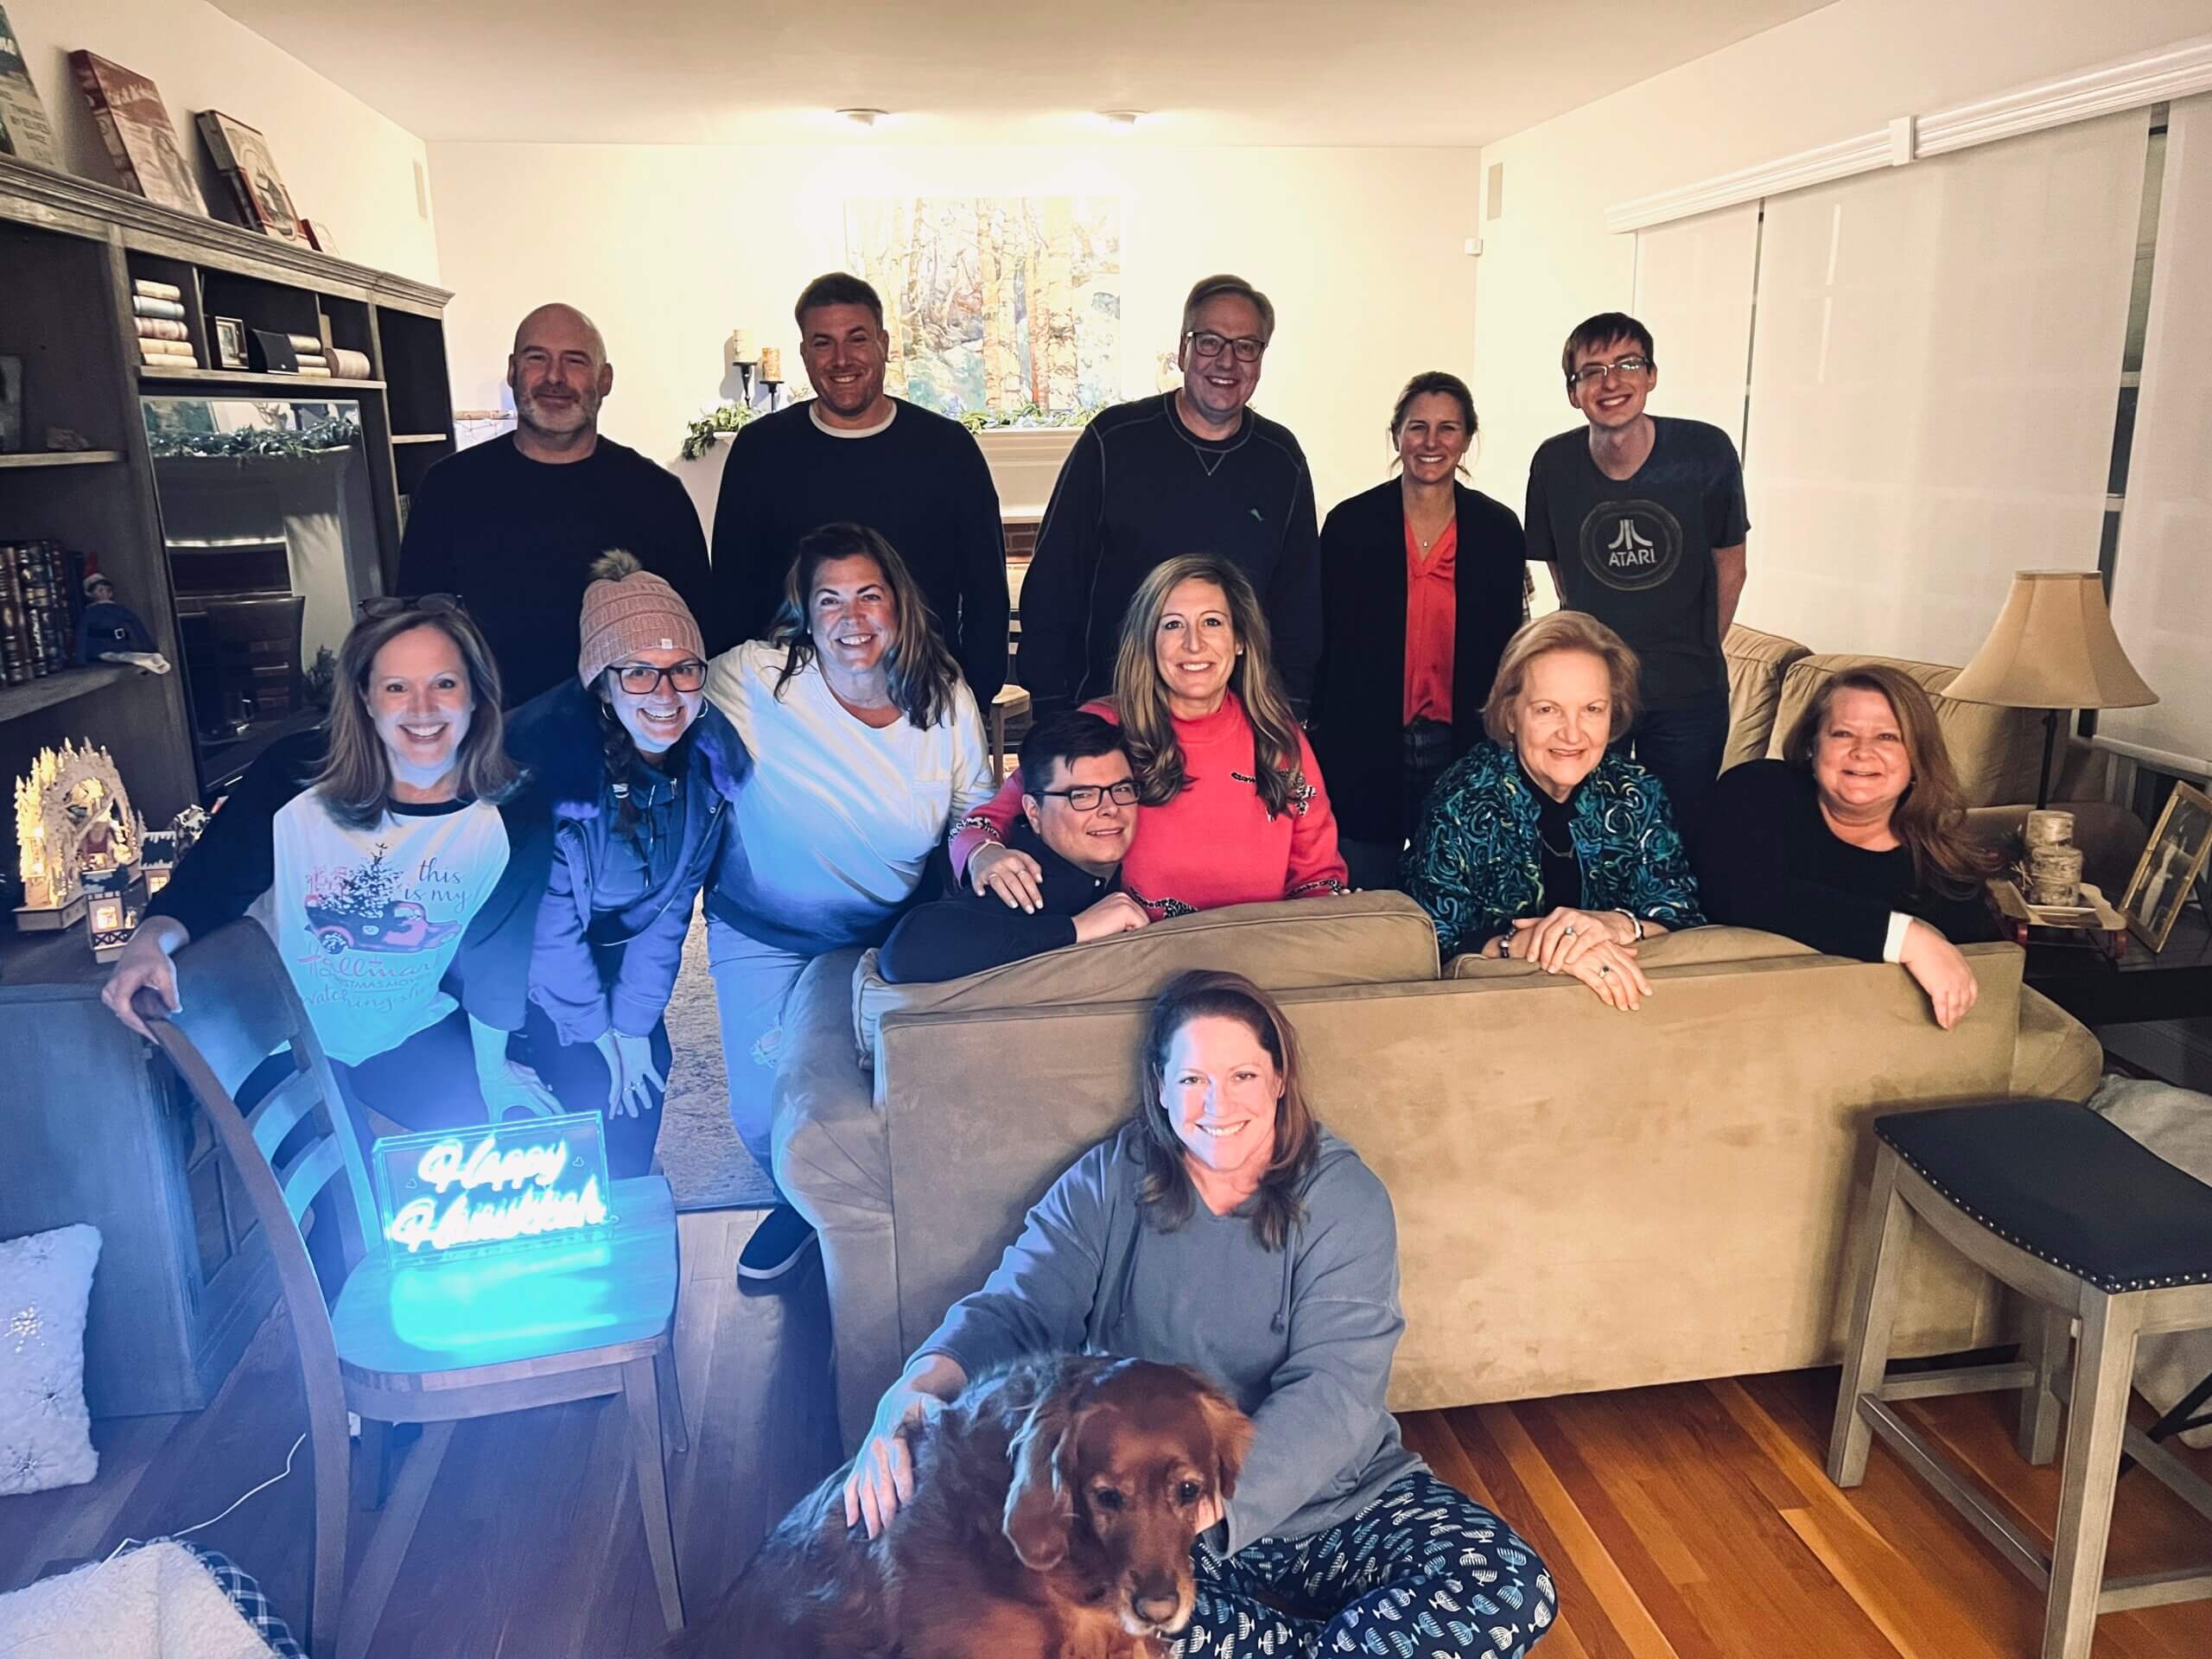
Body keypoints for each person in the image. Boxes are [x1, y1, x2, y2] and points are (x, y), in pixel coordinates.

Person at [842, 970, 1556, 1657]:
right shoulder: (1107, 1181)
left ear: (1279, 1079)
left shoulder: (1345, 1196)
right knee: (1061, 1601)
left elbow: (1337, 1386)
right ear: (1160, 1087)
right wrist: (917, 1387)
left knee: (1512, 1586)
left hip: (1334, 1501)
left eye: (1243, 1076)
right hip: (1147, 1516)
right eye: (1192, 1079)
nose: (1218, 1103)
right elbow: (1018, 1307)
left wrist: (1206, 1506)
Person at [100, 600, 558, 1127]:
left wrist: (493, 1071)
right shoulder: (293, 778)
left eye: (444, 684)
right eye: (396, 687)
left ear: (476, 694)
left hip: (407, 1028)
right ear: (365, 697)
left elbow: (494, 957)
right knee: (342, 1198)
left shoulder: (514, 813)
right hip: (275, 1033)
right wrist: (144, 943)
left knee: (512, 1149)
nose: (423, 708)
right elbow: (204, 893)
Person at [704, 522, 993, 1281]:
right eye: (828, 599)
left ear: (898, 604)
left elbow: (975, 809)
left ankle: (868, 1222)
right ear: (803, 611)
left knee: (883, 1094)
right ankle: (800, 1207)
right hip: (762, 929)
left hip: (879, 934)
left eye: (868, 595)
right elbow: (658, 681)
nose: (851, 617)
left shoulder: (945, 697)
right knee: (761, 1112)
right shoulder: (756, 678)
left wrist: (986, 850)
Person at [491, 552, 750, 1177]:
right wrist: (593, 1028)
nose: (665, 694)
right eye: (638, 673)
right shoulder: (547, 773)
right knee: (584, 1088)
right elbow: (545, 925)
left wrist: (632, 1024)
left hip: (609, 951)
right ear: (601, 683)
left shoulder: (706, 772)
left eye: (683, 670)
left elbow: (669, 914)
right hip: (519, 972)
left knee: (644, 1077)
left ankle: (632, 1214)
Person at [952, 554, 1347, 918]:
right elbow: (982, 824)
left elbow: (1318, 879)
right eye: (1173, 624)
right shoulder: (1101, 725)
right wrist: (982, 856)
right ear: (1148, 641)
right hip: (1129, 958)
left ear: (1240, 639)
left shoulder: (1279, 739)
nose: (1194, 644)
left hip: (1255, 958)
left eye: (1213, 622)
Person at [1015, 274, 1321, 717]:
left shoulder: (1281, 458)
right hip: (1113, 712)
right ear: (1183, 350)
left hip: (1235, 721)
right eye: (1210, 342)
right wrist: (1052, 710)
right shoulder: (1114, 440)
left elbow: (1299, 603)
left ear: (1260, 359)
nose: (1227, 362)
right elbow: (1053, 583)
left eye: (1246, 347)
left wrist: (1289, 713)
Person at [704, 272, 1009, 701]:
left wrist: (974, 689)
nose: (841, 359)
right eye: (823, 342)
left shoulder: (947, 448)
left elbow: (985, 587)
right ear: (805, 353)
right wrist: (741, 702)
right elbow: (732, 591)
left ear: (883, 345)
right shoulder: (762, 451)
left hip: (920, 692)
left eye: (857, 339)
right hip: (794, 703)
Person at [397, 303, 711, 706]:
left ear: (605, 379)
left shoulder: (658, 495)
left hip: (619, 743)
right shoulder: (449, 487)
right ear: (513, 371)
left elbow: (698, 637)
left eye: (575, 361)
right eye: (536, 358)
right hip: (489, 738)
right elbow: (414, 622)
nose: (554, 377)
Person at [1524, 311, 1748, 849]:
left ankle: (1661, 932)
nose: (1611, 381)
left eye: (1628, 364)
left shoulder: (1705, 451)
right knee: (1584, 832)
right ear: (1573, 392)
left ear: (1651, 375)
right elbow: (1560, 568)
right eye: (1592, 371)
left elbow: (1731, 566)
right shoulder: (1554, 463)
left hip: (1688, 692)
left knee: (1678, 837)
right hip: (1592, 692)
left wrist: (1694, 648)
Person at [1402, 611, 1704, 1008]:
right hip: (1494, 1016)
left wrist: (1611, 925)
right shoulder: (1462, 799)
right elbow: (1429, 943)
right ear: (1511, 715)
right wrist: (1526, 944)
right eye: (1548, 710)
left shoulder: (1637, 792)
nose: (1573, 733)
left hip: (1624, 1009)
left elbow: (1683, 916)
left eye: (1593, 709)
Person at [1312, 372, 1528, 891]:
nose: (1432, 443)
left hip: (1462, 739)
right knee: (1364, 888)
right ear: (1396, 436)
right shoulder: (1350, 525)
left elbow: (1509, 644)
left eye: (1448, 429)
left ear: (1468, 438)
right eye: (1417, 428)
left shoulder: (1498, 531)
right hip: (1364, 741)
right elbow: (1324, 639)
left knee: (1455, 883)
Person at [1697, 664, 1999, 1030]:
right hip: (1721, 1024)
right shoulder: (1757, 790)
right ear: (1812, 746)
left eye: (1887, 737)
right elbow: (1736, 891)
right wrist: (1904, 937)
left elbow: (1982, 988)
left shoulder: (1943, 874)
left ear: (1917, 758)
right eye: (1843, 733)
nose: (1862, 752)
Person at [876, 710, 1147, 983]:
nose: (1110, 808)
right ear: (1033, 811)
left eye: (1122, 789)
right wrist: (1076, 929)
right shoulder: (1022, 883)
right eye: (1082, 795)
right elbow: (907, 952)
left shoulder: (1123, 873)